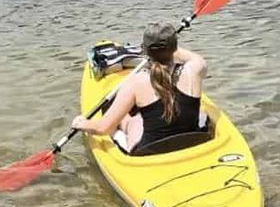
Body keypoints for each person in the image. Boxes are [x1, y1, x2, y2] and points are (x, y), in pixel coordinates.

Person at [72, 23, 208, 153]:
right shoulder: (195, 69)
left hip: (150, 152)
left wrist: (81, 124)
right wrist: (168, 44)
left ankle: (125, 124)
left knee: (132, 121)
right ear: (174, 47)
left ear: (145, 50)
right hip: (192, 142)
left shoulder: (135, 83)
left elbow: (102, 129)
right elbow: (188, 56)